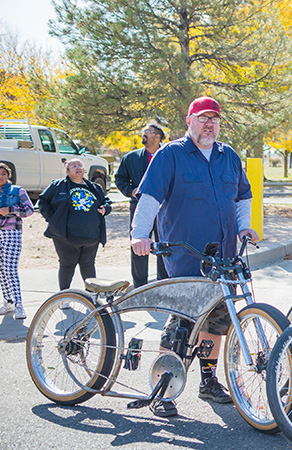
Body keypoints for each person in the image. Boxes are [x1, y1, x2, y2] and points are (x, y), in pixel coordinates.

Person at [130, 96, 259, 417]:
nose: (209, 124)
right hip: (185, 256)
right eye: (202, 118)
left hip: (225, 256)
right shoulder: (171, 154)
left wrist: (245, 228)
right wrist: (139, 234)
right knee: (182, 323)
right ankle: (162, 391)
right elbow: (150, 198)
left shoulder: (228, 155)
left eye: (214, 118)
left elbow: (243, 196)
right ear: (189, 121)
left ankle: (207, 380)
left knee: (217, 322)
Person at [38, 159, 111, 292]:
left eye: (80, 166)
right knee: (67, 265)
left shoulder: (95, 187)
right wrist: (52, 219)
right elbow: (42, 201)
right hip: (66, 237)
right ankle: (64, 296)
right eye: (73, 166)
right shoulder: (58, 185)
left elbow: (106, 201)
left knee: (88, 265)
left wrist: (106, 208)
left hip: (91, 236)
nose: (78, 168)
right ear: (67, 171)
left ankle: (91, 298)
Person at [115, 121, 168, 288]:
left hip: (166, 209)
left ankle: (164, 284)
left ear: (158, 136)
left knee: (165, 246)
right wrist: (131, 191)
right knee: (138, 245)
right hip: (139, 206)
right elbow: (120, 179)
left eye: (148, 131)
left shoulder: (169, 155)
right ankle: (140, 287)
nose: (143, 134)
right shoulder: (131, 158)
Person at [0, 163, 34, 320]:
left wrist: (11, 210)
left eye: (3, 174)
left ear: (8, 176)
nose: (0, 177)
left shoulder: (17, 191)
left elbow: (29, 210)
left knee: (10, 269)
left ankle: (19, 304)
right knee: (1, 270)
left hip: (11, 232)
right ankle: (9, 301)